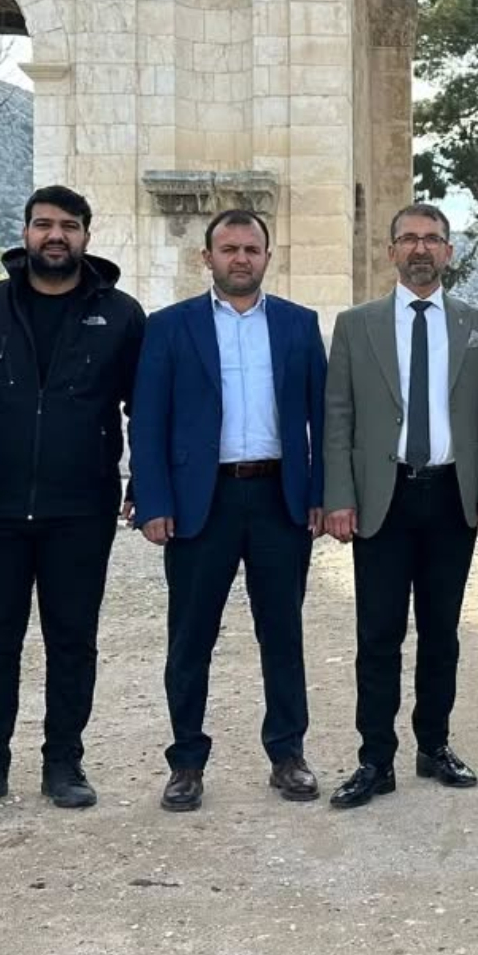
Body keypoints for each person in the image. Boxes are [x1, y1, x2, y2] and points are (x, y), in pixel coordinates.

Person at [0, 186, 146, 815]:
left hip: (80, 508)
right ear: (25, 232)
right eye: (43, 224)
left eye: (68, 226)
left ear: (86, 235)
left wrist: (143, 480)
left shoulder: (121, 315)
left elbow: (143, 405)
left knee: (73, 640)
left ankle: (64, 763)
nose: (55, 236)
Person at [131, 209, 327, 811]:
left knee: (282, 633)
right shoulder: (169, 327)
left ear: (267, 257)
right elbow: (148, 420)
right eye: (228, 248)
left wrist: (320, 494)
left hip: (277, 498)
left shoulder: (298, 325)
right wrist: (153, 500)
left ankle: (288, 754)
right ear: (207, 258)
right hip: (201, 501)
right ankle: (186, 762)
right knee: (191, 637)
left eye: (251, 249)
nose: (240, 258)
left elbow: (325, 418)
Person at [321, 203, 478, 808]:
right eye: (409, 238)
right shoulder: (357, 325)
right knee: (378, 634)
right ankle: (375, 759)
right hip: (384, 496)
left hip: (451, 495)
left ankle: (434, 745)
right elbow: (339, 416)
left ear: (449, 251)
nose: (420, 248)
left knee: (441, 632)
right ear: (391, 250)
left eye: (432, 239)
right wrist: (339, 497)